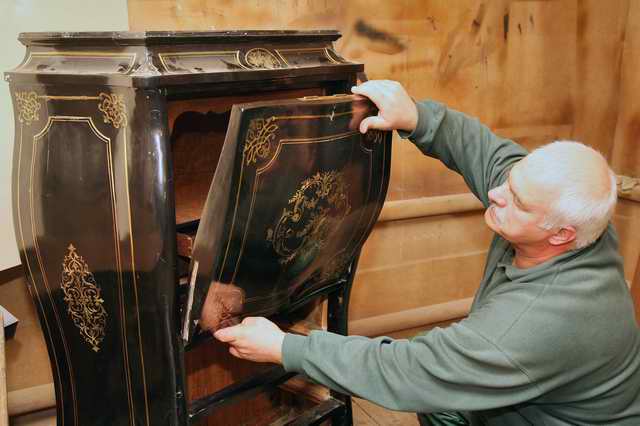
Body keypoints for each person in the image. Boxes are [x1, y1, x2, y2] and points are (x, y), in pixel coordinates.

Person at [213, 80, 640, 425]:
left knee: (434, 391)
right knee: (442, 406)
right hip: (526, 402)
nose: (496, 194)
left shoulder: (533, 325)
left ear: (561, 235)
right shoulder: (574, 217)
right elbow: (485, 151)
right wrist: (417, 117)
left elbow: (411, 370)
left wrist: (286, 348)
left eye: (518, 201)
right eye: (511, 182)